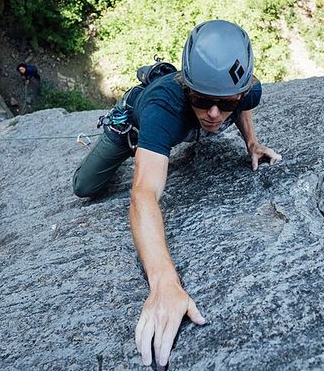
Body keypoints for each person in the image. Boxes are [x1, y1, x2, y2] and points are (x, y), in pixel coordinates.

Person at [72, 20, 281, 368]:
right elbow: (144, 195)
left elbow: (244, 105)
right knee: (85, 187)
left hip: (175, 130)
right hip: (135, 126)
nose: (214, 114)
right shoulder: (163, 108)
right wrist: (163, 283)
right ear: (186, 88)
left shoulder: (245, 93)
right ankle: (126, 136)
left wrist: (252, 143)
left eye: (225, 102)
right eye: (202, 99)